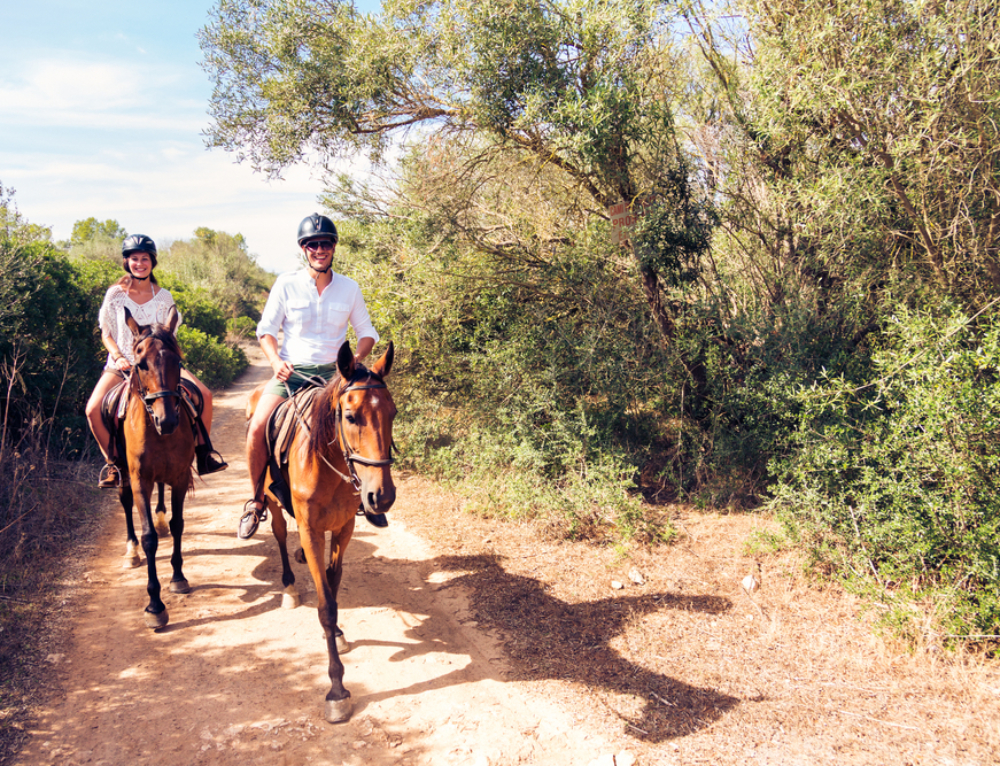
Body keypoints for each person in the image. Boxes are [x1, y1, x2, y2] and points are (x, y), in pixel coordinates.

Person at [237, 213, 382, 540]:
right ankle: (256, 500)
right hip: (292, 373)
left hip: (335, 378)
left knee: (365, 423)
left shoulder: (349, 288)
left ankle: (359, 493)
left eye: (325, 243)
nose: (320, 249)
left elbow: (367, 332)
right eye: (313, 244)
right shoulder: (286, 284)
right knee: (258, 427)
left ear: (333, 247)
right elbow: (266, 331)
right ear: (304, 249)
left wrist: (355, 359)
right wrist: (275, 361)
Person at [84, 234, 228, 488]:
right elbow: (106, 333)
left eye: (145, 259)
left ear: (153, 262)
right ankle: (114, 463)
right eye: (134, 259)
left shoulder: (164, 297)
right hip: (122, 365)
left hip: (160, 366)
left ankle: (204, 453)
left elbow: (170, 336)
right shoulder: (115, 295)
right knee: (92, 409)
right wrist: (117, 357)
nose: (140, 263)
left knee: (204, 394)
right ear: (127, 262)